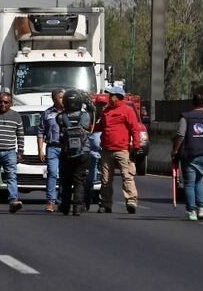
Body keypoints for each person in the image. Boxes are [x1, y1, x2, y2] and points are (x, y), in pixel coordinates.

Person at [95, 86, 140, 213]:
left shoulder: (127, 111)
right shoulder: (106, 111)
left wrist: (136, 146)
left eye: (111, 96)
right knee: (105, 179)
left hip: (122, 150)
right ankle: (106, 204)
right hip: (106, 150)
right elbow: (100, 127)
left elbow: (135, 129)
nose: (109, 98)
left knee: (127, 177)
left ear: (118, 97)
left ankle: (131, 202)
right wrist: (89, 127)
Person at [172, 94, 203, 220]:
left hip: (189, 153)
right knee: (200, 181)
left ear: (193, 103)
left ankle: (192, 211)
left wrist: (175, 150)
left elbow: (180, 135)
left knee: (189, 183)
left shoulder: (186, 117)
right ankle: (201, 208)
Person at [57, 88, 93, 216]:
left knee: (66, 182)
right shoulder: (85, 116)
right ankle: (77, 207)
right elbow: (88, 127)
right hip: (84, 152)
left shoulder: (61, 117)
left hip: (66, 153)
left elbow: (60, 132)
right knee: (79, 181)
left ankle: (65, 206)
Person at [36, 89, 66, 213]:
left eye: (64, 97)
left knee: (65, 176)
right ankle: (50, 201)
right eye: (60, 97)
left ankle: (62, 200)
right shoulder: (47, 113)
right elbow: (40, 132)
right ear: (54, 99)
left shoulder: (69, 113)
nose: (63, 100)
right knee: (52, 173)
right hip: (52, 148)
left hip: (66, 148)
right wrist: (40, 150)